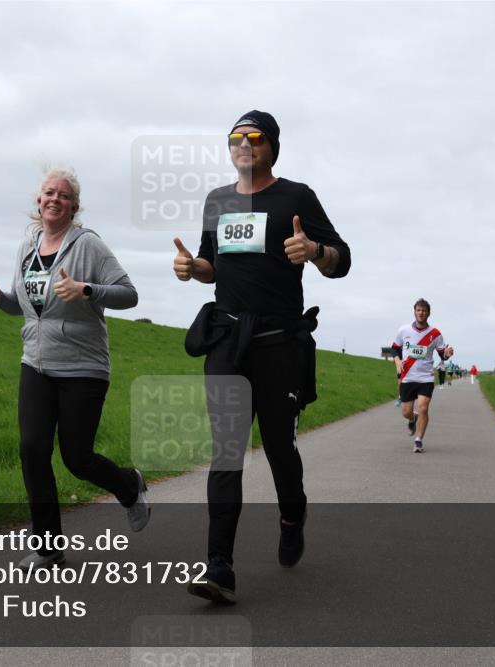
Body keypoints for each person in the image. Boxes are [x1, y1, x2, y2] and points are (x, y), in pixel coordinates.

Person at [172, 110, 351, 604]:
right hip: (228, 342)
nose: (243, 144)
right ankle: (219, 566)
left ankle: (292, 513)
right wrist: (194, 267)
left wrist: (314, 250)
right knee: (227, 452)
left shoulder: (296, 196)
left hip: (279, 345)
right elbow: (212, 264)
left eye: (254, 137)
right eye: (235, 137)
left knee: (277, 448)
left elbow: (343, 258)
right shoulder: (218, 200)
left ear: (271, 145)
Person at [0, 167, 150, 568]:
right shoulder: (28, 245)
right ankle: (48, 547)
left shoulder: (89, 245)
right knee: (32, 451)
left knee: (77, 458)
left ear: (74, 206)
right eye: (48, 193)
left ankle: (128, 485)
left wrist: (87, 289)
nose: (54, 199)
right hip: (36, 362)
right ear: (38, 202)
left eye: (63, 194)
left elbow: (130, 295)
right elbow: (24, 307)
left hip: (83, 367)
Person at [391, 298, 454, 453]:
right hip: (407, 376)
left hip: (425, 377)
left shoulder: (435, 334)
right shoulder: (403, 331)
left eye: (424, 310)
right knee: (406, 412)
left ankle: (418, 440)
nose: (421, 313)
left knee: (424, 408)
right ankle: (413, 419)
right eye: (418, 310)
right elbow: (394, 348)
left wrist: (446, 354)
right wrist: (397, 361)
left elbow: (442, 354)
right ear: (414, 312)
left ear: (428, 313)